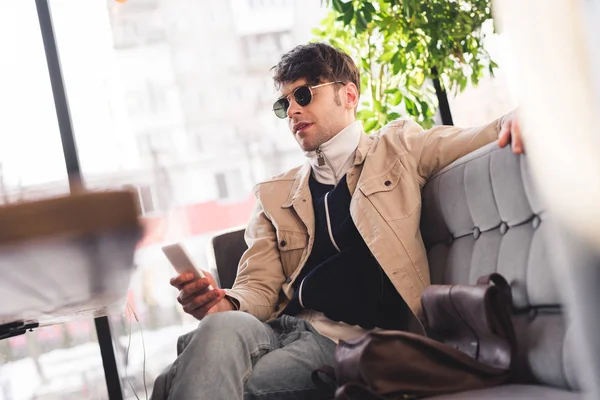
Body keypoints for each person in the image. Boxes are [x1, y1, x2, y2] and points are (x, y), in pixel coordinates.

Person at [150, 42, 523, 400]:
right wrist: (222, 303)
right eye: (284, 104)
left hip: (346, 342)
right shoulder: (274, 196)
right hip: (277, 327)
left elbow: (476, 137)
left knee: (189, 380)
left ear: (349, 96)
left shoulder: (398, 148)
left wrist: (520, 117)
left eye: (304, 95)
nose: (292, 111)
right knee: (216, 329)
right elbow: (258, 288)